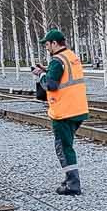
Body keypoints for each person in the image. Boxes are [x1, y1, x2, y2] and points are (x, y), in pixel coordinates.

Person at [32, 27, 90, 195]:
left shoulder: (57, 60)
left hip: (64, 111)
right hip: (78, 109)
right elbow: (65, 78)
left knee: (64, 148)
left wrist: (41, 75)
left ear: (55, 43)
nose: (46, 47)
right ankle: (70, 177)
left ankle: (73, 184)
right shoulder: (71, 57)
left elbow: (51, 85)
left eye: (47, 44)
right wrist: (47, 71)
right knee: (67, 145)